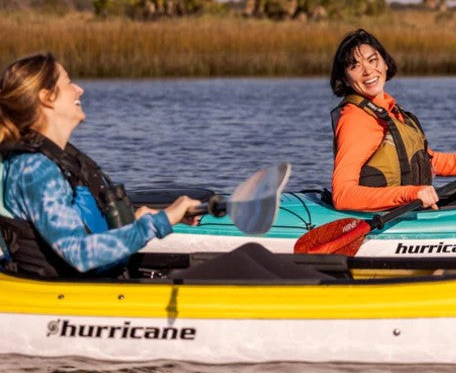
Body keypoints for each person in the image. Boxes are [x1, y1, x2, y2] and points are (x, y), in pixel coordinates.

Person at [0, 52, 331, 282]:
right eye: (69, 82)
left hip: (110, 278)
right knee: (245, 264)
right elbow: (79, 254)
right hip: (79, 292)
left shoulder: (59, 160)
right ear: (46, 98)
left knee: (253, 254)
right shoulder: (34, 169)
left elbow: (85, 227)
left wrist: (138, 217)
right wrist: (159, 222)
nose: (80, 89)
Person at [329, 29, 456, 212]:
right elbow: (342, 195)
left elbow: (431, 162)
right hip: (379, 216)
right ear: (345, 79)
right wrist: (411, 194)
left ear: (385, 63)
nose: (368, 71)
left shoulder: (390, 111)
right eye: (355, 66)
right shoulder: (356, 119)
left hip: (405, 209)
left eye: (372, 60)